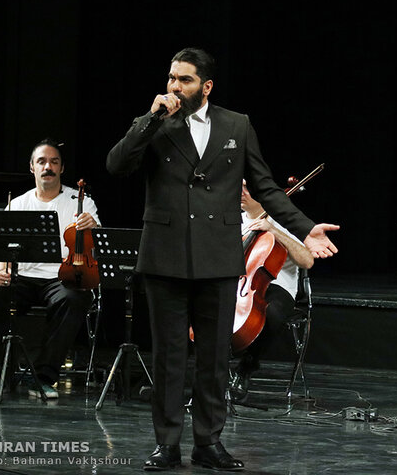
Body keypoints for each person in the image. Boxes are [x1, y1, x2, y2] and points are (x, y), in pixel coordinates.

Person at [106, 47, 339, 472]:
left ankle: (209, 443)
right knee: (170, 356)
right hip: (165, 255)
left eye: (185, 79)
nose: (175, 86)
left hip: (217, 256)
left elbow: (266, 188)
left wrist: (305, 228)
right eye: (172, 78)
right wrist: (149, 119)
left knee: (214, 358)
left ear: (206, 86)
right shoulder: (156, 125)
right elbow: (117, 164)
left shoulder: (237, 124)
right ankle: (167, 445)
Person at [0, 139, 101, 399]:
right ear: (32, 168)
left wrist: (93, 227)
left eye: (54, 162)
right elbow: (0, 247)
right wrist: (0, 271)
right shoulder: (18, 204)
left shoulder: (81, 201)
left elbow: (97, 243)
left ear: (62, 168)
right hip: (22, 277)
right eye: (42, 161)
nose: (48, 167)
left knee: (75, 298)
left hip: (61, 277)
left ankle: (44, 377)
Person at [230, 181, 314, 402]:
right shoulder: (230, 220)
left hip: (278, 285)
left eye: (248, 188)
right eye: (239, 186)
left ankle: (246, 366)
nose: (241, 192)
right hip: (239, 283)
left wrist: (273, 230)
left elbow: (307, 260)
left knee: (271, 313)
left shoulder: (283, 220)